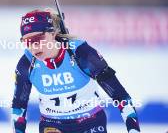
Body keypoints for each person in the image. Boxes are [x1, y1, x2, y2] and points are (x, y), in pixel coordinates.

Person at [11, 9, 141, 133]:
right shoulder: (27, 63)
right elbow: (19, 106)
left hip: (90, 122)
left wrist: (133, 129)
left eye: (37, 39)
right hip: (52, 125)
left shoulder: (81, 54)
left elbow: (120, 97)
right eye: (27, 42)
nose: (33, 47)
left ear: (52, 33)